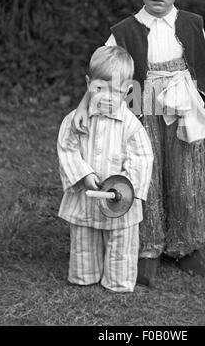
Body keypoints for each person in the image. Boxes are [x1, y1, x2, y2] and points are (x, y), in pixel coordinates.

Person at [73, 0, 205, 287]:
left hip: (184, 105)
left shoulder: (192, 24)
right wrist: (83, 105)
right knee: (144, 174)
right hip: (141, 100)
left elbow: (202, 73)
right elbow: (101, 74)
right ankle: (147, 247)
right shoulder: (122, 31)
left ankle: (187, 246)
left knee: (187, 176)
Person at [57, 46, 153, 293]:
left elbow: (142, 157)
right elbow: (67, 149)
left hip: (120, 202)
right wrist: (84, 175)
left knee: (121, 240)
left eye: (117, 91)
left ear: (129, 90)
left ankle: (118, 281)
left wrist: (126, 189)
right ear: (89, 84)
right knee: (83, 237)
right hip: (86, 196)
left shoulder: (131, 126)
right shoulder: (75, 121)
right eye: (100, 89)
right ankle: (84, 275)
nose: (108, 97)